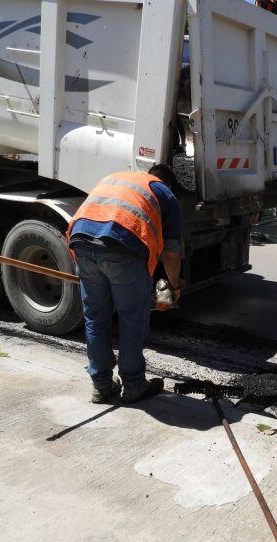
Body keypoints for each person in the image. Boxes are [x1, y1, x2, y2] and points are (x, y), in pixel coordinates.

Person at [67, 165, 183, 404]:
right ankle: (133, 385)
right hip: (123, 247)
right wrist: (174, 286)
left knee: (95, 318)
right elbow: (171, 254)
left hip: (81, 242)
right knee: (132, 320)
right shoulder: (165, 193)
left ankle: (102, 386)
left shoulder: (116, 178)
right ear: (167, 184)